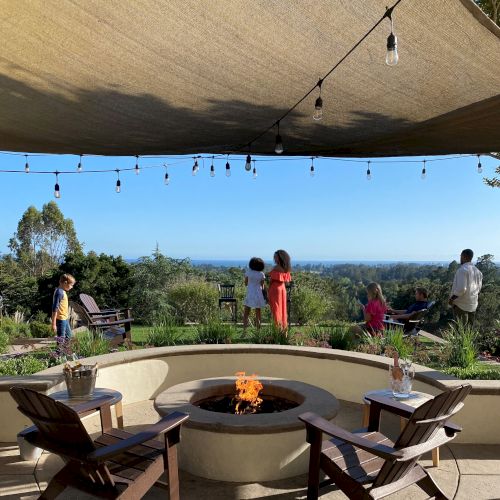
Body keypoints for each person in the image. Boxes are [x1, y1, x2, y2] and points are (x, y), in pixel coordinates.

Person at [449, 249, 482, 324]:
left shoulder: (462, 270)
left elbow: (461, 289)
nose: (460, 258)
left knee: (460, 330)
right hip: (473, 305)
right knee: (468, 332)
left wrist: (451, 299)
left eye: (461, 256)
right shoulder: (478, 272)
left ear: (464, 256)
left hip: (461, 305)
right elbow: (478, 289)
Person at [268, 250, 292, 329]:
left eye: (275, 257)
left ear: (280, 258)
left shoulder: (276, 267)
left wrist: (268, 290)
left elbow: (271, 280)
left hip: (275, 289)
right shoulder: (286, 268)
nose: (274, 259)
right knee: (282, 309)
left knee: (275, 309)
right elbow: (285, 281)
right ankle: (283, 328)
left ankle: (277, 329)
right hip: (282, 289)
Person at [243, 257, 267, 331]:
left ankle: (244, 329)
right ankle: (258, 329)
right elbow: (262, 286)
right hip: (258, 293)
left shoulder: (248, 272)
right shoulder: (261, 274)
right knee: (258, 312)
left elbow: (246, 283)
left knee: (246, 312)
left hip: (250, 293)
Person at [51, 273, 76, 346]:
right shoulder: (59, 292)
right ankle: (58, 355)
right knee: (61, 338)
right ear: (65, 283)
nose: (72, 287)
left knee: (68, 336)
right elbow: (54, 308)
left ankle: (65, 352)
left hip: (65, 319)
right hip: (60, 319)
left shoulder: (63, 291)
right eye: (71, 285)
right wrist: (53, 324)